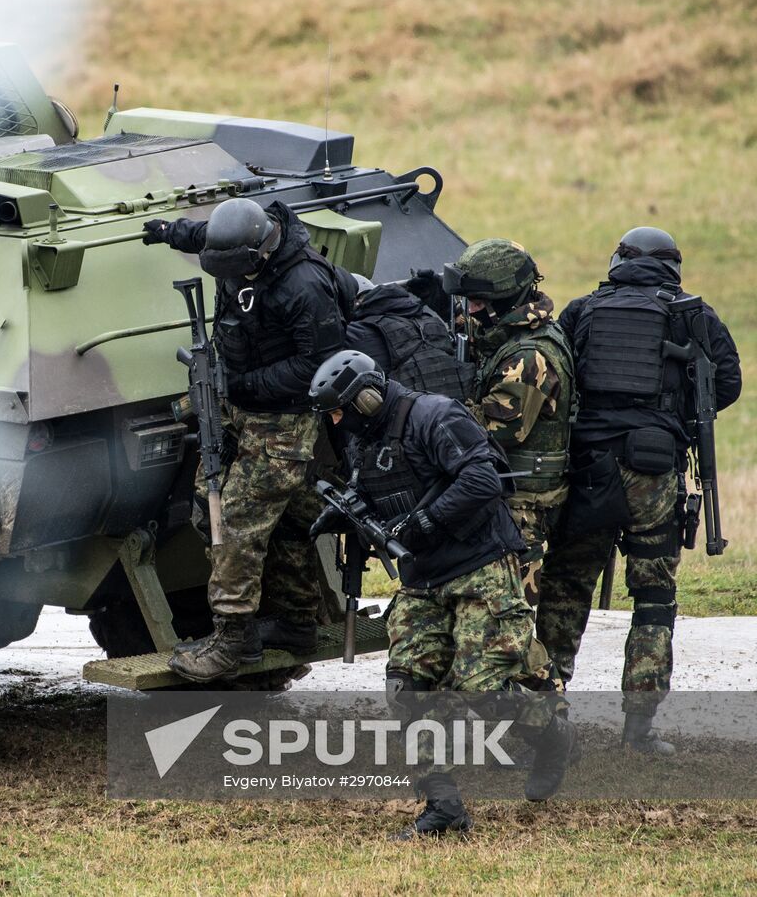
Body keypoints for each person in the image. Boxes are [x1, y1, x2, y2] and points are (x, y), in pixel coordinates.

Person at [307, 350, 578, 837]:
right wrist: (349, 514)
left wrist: (427, 522)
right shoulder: (362, 441)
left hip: (480, 565)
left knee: (479, 687)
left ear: (368, 397)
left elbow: (482, 479)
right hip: (421, 579)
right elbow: (382, 500)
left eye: (342, 409)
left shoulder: (434, 416)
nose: (337, 421)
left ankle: (551, 736)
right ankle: (444, 805)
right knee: (405, 688)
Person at [536, 227, 741, 754]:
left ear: (620, 260)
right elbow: (728, 383)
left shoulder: (582, 311)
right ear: (672, 265)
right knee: (654, 597)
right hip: (654, 471)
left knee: (566, 584)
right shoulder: (694, 314)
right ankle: (639, 727)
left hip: (588, 469)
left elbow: (555, 376)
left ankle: (548, 711)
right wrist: (673, 418)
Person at [142, 198, 344, 682]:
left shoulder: (305, 284)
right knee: (245, 515)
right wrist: (170, 230)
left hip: (282, 423)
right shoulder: (238, 242)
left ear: (261, 254)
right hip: (237, 410)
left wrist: (247, 386)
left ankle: (234, 641)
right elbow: (204, 237)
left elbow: (320, 363)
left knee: (233, 525)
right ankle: (296, 622)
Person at [441, 239, 574, 603]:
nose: (470, 311)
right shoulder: (508, 336)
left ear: (504, 300)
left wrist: (442, 409)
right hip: (506, 493)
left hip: (523, 504)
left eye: (478, 304)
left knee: (508, 617)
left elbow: (501, 430)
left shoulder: (529, 355)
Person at [344, 279, 473, 401]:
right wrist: (453, 313)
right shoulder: (432, 322)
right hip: (465, 416)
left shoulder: (360, 334)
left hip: (417, 421)